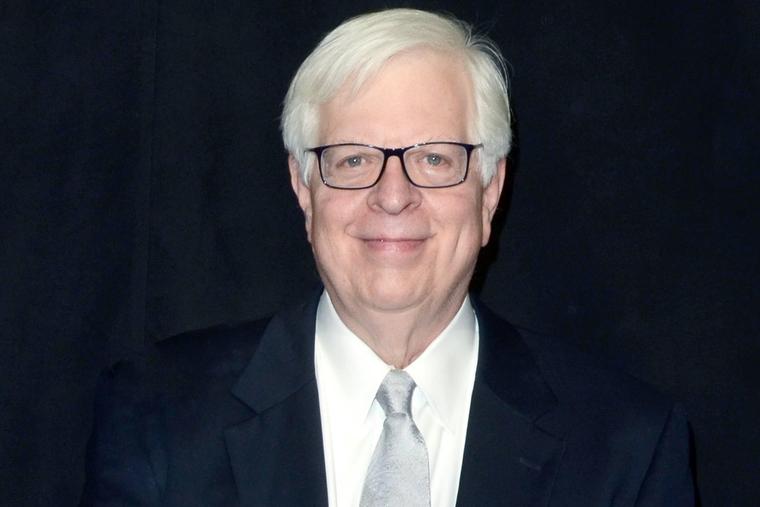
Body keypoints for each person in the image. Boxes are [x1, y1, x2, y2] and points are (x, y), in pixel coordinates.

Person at [81, 8, 695, 506]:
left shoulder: (627, 446)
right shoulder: (155, 419)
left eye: (434, 158)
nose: (393, 196)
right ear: (303, 188)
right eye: (353, 158)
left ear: (489, 191)